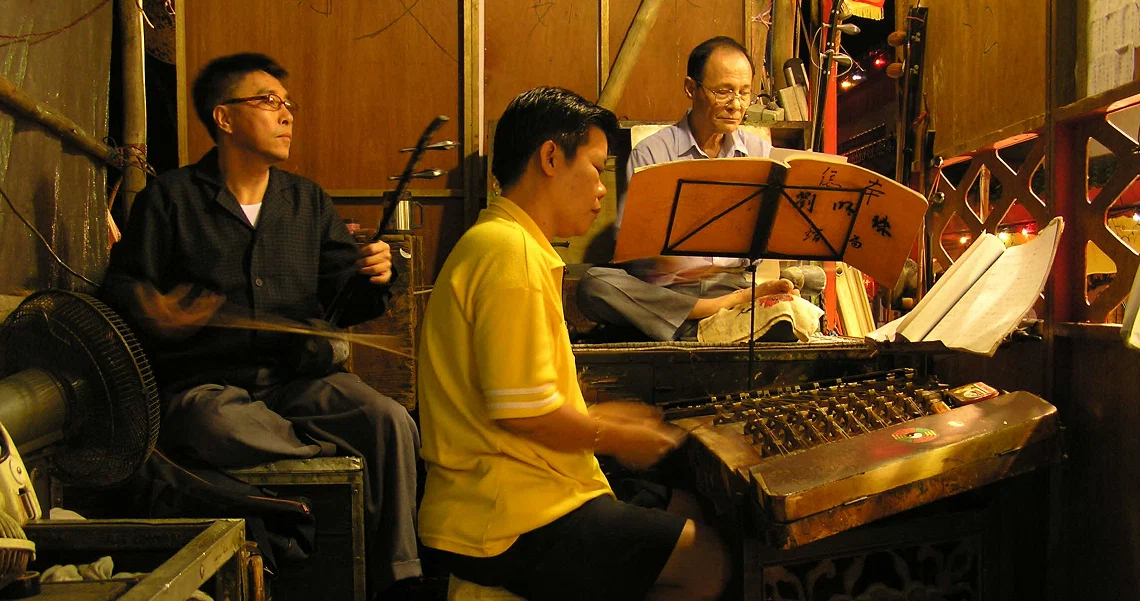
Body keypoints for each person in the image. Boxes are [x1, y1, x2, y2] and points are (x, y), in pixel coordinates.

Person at [100, 53, 420, 596]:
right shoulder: (170, 199)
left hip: (298, 381)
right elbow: (125, 288)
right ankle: (323, 448)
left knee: (389, 421)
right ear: (224, 118)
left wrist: (375, 274)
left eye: (287, 104)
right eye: (269, 102)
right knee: (211, 425)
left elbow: (345, 299)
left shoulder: (306, 200)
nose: (286, 114)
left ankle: (400, 576)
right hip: (212, 387)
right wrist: (157, 310)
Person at [417, 86, 730, 601]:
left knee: (685, 507)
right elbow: (525, 412)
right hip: (506, 517)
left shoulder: (507, 241)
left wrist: (607, 424)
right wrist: (612, 432)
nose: (602, 190)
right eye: (596, 167)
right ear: (549, 157)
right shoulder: (509, 253)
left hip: (527, 490)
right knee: (707, 560)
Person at [578, 36, 795, 341]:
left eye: (744, 93)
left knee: (805, 283)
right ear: (691, 88)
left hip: (734, 285)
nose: (736, 105)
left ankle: (692, 325)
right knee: (594, 285)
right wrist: (669, 263)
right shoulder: (653, 152)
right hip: (671, 291)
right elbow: (634, 245)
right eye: (723, 92)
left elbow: (768, 243)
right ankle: (715, 318)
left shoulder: (760, 153)